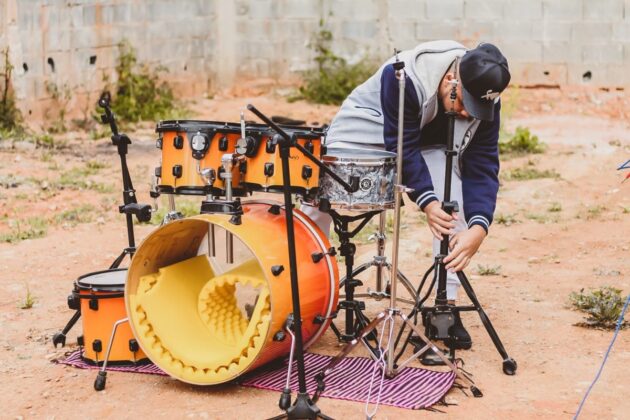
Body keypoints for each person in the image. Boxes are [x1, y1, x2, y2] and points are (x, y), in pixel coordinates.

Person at [302, 40, 511, 350]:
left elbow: (482, 165)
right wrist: (425, 199)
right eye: (465, 103)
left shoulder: (484, 96)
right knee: (316, 189)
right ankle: (305, 296)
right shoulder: (405, 75)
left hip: (428, 136)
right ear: (451, 80)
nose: (469, 113)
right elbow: (402, 146)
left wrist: (479, 228)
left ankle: (444, 307)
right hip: (370, 125)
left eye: (477, 108)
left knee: (451, 188)